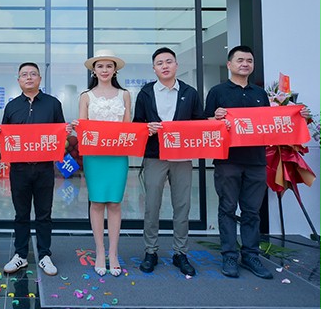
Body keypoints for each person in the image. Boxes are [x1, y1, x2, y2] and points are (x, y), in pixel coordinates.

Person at [204, 45, 284, 279]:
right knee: (227, 208)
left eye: (249, 60)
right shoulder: (217, 91)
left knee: (252, 211)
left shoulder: (260, 94)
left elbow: (268, 125)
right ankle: (229, 255)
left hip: (256, 161)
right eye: (240, 60)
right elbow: (205, 123)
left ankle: (250, 255)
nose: (245, 64)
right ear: (229, 64)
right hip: (227, 160)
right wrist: (215, 118)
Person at [133, 47, 204, 277]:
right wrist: (147, 128)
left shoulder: (190, 93)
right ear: (154, 68)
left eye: (169, 61)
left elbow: (200, 122)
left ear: (176, 65)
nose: (165, 66)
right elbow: (136, 124)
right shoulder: (145, 93)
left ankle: (180, 253)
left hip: (181, 156)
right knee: (152, 205)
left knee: (182, 205)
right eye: (160, 63)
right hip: (155, 155)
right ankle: (150, 251)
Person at [0, 62, 66, 277]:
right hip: (19, 169)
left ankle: (44, 255)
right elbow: (5, 136)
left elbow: (61, 134)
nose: (29, 77)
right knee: (21, 214)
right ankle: (20, 255)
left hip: (44, 168)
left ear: (39, 79)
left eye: (33, 74)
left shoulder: (53, 104)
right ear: (18, 80)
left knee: (44, 213)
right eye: (24, 74)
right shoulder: (11, 107)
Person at [76, 49, 131, 277]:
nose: (105, 70)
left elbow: (128, 127)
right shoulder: (86, 96)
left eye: (109, 66)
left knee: (115, 204)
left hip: (118, 155)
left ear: (115, 70)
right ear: (94, 70)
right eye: (100, 66)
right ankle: (100, 252)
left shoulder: (125, 95)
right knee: (97, 203)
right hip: (95, 156)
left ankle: (113, 253)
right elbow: (83, 127)